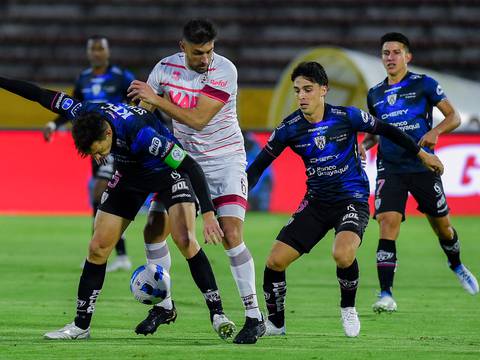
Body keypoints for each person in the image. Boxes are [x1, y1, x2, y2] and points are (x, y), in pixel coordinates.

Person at [0, 76, 236, 341]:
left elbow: (189, 166)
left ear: (108, 132)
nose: (97, 156)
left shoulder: (142, 134)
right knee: (98, 247)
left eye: (98, 149)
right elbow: (38, 93)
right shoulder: (84, 113)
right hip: (129, 177)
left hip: (167, 174)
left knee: (185, 240)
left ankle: (218, 314)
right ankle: (81, 326)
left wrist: (208, 213)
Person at [247, 62, 444, 338]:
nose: (301, 96)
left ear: (323, 90)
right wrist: (235, 198)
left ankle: (348, 308)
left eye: (308, 89)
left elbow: (388, 130)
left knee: (342, 253)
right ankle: (276, 324)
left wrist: (422, 155)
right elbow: (257, 167)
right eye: (297, 91)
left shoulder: (347, 116)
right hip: (316, 202)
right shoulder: (289, 128)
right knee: (275, 261)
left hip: (352, 199)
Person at [127, 19, 264, 344]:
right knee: (153, 229)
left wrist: (155, 99)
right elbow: (146, 107)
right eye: (198, 52)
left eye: (210, 51)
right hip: (183, 162)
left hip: (225, 160)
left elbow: (199, 120)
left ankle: (254, 316)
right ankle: (164, 305)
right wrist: (140, 103)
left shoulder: (224, 71)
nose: (205, 58)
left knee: (231, 234)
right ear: (182, 47)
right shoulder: (164, 69)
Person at [361, 32, 479, 314]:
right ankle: (386, 294)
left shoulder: (424, 84)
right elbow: (378, 132)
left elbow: (454, 117)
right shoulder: (375, 93)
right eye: (385, 53)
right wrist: (365, 145)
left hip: (422, 165)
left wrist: (435, 132)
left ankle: (457, 265)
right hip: (390, 168)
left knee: (443, 227)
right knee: (388, 223)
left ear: (407, 56)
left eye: (395, 52)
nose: (390, 57)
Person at [43, 35, 135, 272]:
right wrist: (54, 125)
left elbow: (138, 99)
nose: (96, 53)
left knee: (100, 191)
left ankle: (107, 252)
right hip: (94, 146)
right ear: (88, 53)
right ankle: (115, 252)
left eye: (100, 49)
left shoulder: (121, 77)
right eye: (92, 49)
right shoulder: (83, 79)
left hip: (114, 142)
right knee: (101, 198)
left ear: (107, 52)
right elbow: (71, 107)